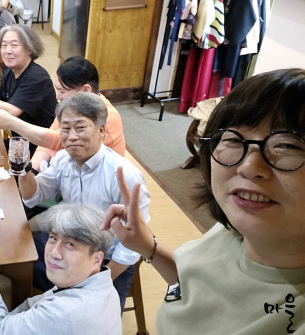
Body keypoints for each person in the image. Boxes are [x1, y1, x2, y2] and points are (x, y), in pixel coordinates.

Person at [102, 68, 305, 334]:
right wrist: (146, 245)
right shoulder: (232, 231)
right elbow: (193, 283)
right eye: (233, 139)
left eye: (287, 145)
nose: (249, 166)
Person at [18, 92, 150, 308]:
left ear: (101, 130)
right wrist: (23, 170)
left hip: (107, 259)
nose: (71, 136)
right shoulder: (63, 159)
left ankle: (56, 300)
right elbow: (33, 197)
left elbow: (135, 244)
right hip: (70, 244)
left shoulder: (124, 175)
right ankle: (52, 301)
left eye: (80, 128)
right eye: (65, 129)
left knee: (94, 318)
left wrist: (101, 280)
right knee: (19, 254)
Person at [0, 203, 122, 334]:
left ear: (97, 259)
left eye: (70, 244)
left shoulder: (64, 312)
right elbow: (40, 302)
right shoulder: (104, 284)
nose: (54, 253)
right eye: (53, 238)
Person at [0, 57, 126, 172]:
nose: (58, 96)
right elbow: (47, 144)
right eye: (57, 90)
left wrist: (12, 122)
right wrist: (33, 172)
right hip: (65, 170)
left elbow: (58, 141)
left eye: (62, 91)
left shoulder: (106, 117)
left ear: (86, 90)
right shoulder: (72, 108)